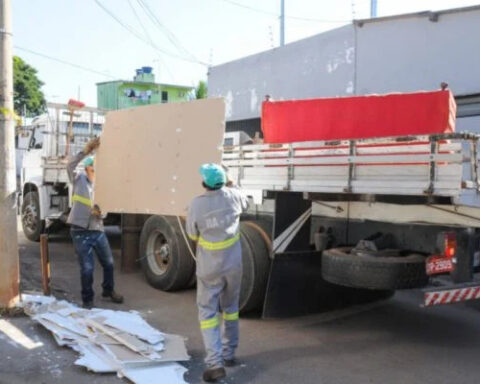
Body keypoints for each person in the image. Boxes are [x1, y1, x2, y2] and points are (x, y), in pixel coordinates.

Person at [186, 163, 249, 382]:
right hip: (233, 265)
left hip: (209, 268)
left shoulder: (196, 204)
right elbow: (245, 201)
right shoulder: (234, 196)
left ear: (203, 183)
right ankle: (229, 354)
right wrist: (230, 181)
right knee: (231, 309)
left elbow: (193, 235)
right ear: (224, 180)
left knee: (207, 313)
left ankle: (214, 363)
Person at [67, 137, 124, 309]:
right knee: (87, 268)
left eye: (95, 169)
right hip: (80, 230)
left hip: (97, 229)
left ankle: (108, 290)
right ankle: (87, 300)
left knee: (108, 263)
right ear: (86, 168)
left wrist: (102, 213)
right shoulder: (78, 179)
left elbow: (106, 208)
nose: (93, 171)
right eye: (91, 168)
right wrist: (86, 151)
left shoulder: (102, 184)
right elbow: (69, 165)